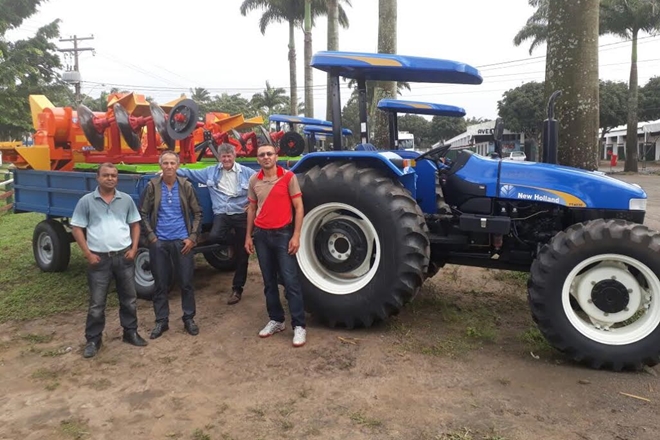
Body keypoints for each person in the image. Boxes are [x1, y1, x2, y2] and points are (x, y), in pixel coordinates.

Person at [70, 162, 148, 358]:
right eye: (106, 175)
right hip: (100, 261)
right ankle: (93, 340)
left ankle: (130, 332)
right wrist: (87, 253)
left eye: (113, 175)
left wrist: (134, 248)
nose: (110, 178)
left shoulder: (126, 200)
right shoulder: (86, 201)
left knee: (129, 300)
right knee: (97, 304)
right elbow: (77, 228)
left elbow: (135, 224)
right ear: (98, 178)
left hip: (124, 257)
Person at [177, 143, 255, 305]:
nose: (226, 159)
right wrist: (169, 171)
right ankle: (236, 242)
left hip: (241, 214)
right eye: (223, 156)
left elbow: (262, 185)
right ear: (219, 158)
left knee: (242, 256)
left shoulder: (247, 173)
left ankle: (237, 289)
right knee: (214, 236)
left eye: (229, 156)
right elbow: (189, 173)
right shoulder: (210, 171)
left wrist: (256, 204)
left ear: (234, 156)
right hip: (222, 213)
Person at [245, 144, 306, 347]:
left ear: (276, 156)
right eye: (262, 154)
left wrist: (296, 235)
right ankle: (276, 320)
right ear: (258, 158)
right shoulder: (254, 180)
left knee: (291, 281)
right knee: (269, 281)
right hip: (262, 235)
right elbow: (252, 209)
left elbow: (298, 207)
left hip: (283, 234)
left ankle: (299, 326)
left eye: (269, 154)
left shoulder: (289, 177)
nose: (266, 157)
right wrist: (248, 236)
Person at [139, 151, 203, 339]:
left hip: (182, 242)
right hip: (159, 242)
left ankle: (189, 318)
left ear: (178, 165)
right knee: (160, 284)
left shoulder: (185, 186)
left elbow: (198, 212)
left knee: (186, 282)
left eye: (172, 163)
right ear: (160, 165)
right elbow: (142, 213)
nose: (168, 166)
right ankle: (161, 321)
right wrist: (151, 237)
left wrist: (192, 237)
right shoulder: (152, 186)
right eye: (165, 163)